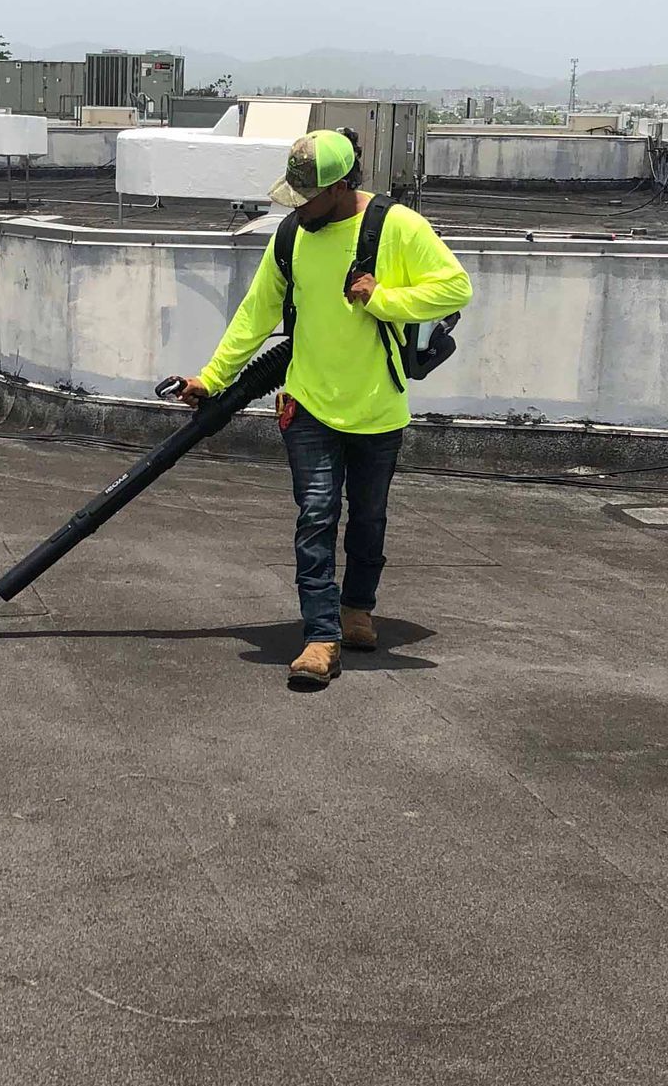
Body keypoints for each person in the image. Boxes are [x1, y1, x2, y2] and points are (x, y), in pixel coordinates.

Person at [179, 129, 472, 690]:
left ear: (341, 187)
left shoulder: (396, 227)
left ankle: (357, 609)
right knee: (315, 516)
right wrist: (210, 379)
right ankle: (320, 636)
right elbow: (255, 314)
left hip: (378, 408)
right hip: (308, 402)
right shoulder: (292, 235)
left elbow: (455, 288)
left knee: (368, 519)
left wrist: (382, 298)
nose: (299, 207)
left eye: (308, 197)